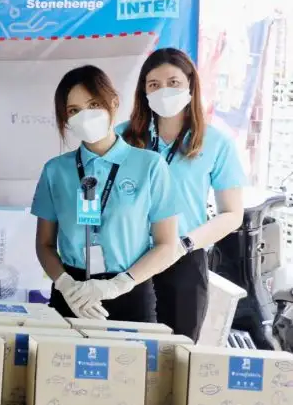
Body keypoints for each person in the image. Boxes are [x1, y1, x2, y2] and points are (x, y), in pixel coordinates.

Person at [31, 65, 180, 322]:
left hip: (130, 289)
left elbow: (166, 244)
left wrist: (120, 284)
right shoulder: (55, 170)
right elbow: (44, 244)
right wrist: (65, 284)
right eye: (74, 110)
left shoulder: (150, 166)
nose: (85, 116)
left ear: (113, 102)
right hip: (72, 295)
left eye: (93, 105)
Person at [120, 48, 245, 340]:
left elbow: (232, 213)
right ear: (144, 92)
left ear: (190, 85)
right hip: (127, 259)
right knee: (124, 353)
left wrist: (184, 243)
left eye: (173, 82)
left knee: (175, 353)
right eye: (154, 84)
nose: (163, 90)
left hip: (183, 260)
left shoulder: (216, 143)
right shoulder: (122, 138)